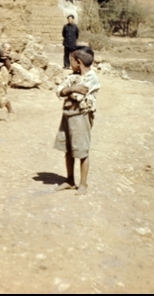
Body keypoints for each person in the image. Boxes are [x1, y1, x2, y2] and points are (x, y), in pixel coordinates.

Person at [54, 46, 100, 196]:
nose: (69, 63)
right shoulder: (73, 75)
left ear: (78, 62)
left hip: (81, 117)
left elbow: (78, 97)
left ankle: (83, 184)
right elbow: (59, 90)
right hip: (68, 115)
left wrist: (68, 90)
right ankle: (70, 180)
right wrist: (70, 90)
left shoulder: (92, 78)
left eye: (71, 60)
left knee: (81, 150)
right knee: (68, 150)